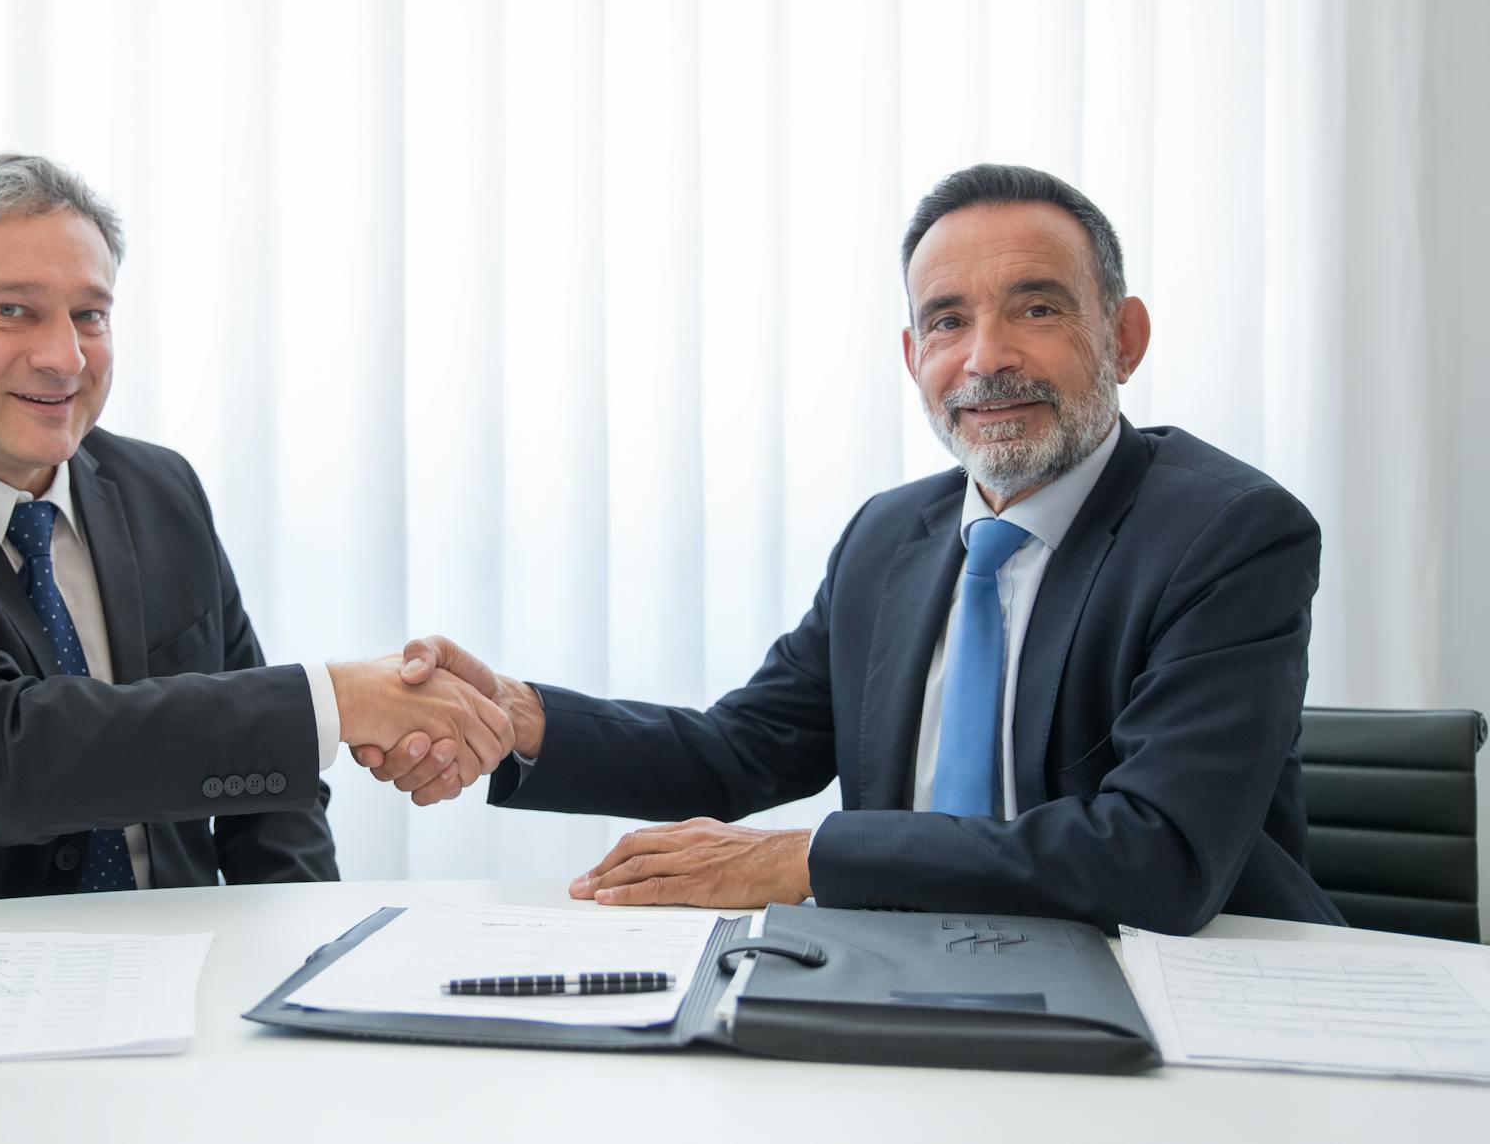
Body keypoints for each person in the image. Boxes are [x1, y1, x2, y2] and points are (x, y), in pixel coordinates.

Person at [377, 163, 1344, 934]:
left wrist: (805, 860)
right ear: (912, 355)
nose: (987, 357)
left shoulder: (1229, 534)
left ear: (1123, 339)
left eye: (1037, 308)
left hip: (1179, 1003)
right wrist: (521, 716)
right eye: (948, 321)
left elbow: (1158, 856)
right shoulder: (891, 536)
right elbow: (739, 752)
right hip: (903, 968)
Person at [0, 152, 509, 914]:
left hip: (192, 984)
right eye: (12, 311)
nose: (65, 357)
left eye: (89, 315)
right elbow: (5, 759)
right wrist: (332, 701)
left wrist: (304, 959)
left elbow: (272, 800)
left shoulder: (159, 489)